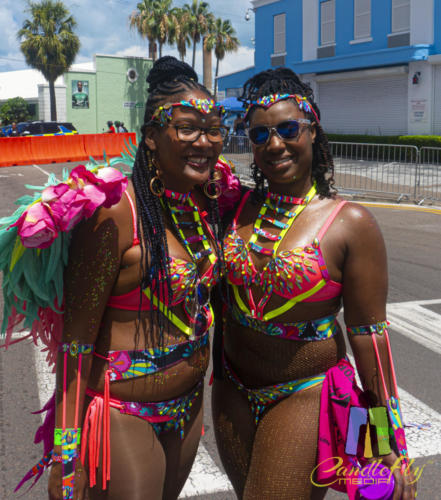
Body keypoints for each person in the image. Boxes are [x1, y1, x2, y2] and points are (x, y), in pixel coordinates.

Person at [212, 67, 416, 500]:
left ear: (313, 132)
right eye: (260, 134)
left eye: (288, 129)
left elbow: (370, 340)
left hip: (305, 395)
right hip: (232, 392)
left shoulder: (350, 224)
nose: (276, 144)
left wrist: (386, 443)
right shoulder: (235, 206)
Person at [43, 56, 230, 499]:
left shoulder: (200, 206)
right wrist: (65, 455)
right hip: (125, 414)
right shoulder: (115, 215)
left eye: (213, 128)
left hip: (187, 410)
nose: (203, 141)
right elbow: (76, 342)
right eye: (187, 128)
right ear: (150, 138)